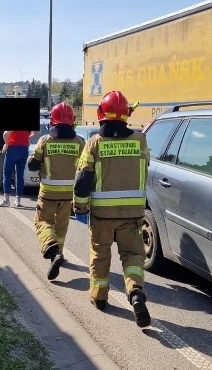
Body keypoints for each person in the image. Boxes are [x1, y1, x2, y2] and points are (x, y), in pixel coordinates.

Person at [73, 90, 151, 328]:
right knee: (133, 257)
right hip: (133, 216)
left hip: (102, 216)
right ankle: (135, 291)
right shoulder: (140, 140)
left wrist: (80, 207)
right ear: (126, 115)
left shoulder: (94, 142)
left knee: (100, 255)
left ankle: (100, 297)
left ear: (100, 115)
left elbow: (82, 181)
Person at [28, 102, 84, 280]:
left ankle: (52, 250)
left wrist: (36, 160)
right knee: (61, 227)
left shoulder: (45, 141)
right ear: (72, 121)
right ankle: (59, 252)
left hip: (48, 194)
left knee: (42, 222)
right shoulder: (80, 142)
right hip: (69, 196)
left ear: (53, 120)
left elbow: (32, 165)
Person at [0, 129, 34, 207]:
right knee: (20, 176)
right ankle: (18, 200)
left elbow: (5, 134)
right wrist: (28, 138)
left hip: (13, 148)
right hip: (24, 149)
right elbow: (38, 132)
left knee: (7, 174)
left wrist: (6, 144)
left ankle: (6, 200)